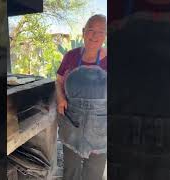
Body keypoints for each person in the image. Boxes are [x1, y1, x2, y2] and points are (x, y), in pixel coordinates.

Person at [55, 14, 107, 180]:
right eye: (91, 30)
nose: (94, 36)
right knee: (71, 171)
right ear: (84, 32)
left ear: (105, 35)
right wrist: (61, 98)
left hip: (100, 128)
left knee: (94, 174)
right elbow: (58, 81)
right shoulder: (71, 56)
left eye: (101, 32)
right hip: (72, 122)